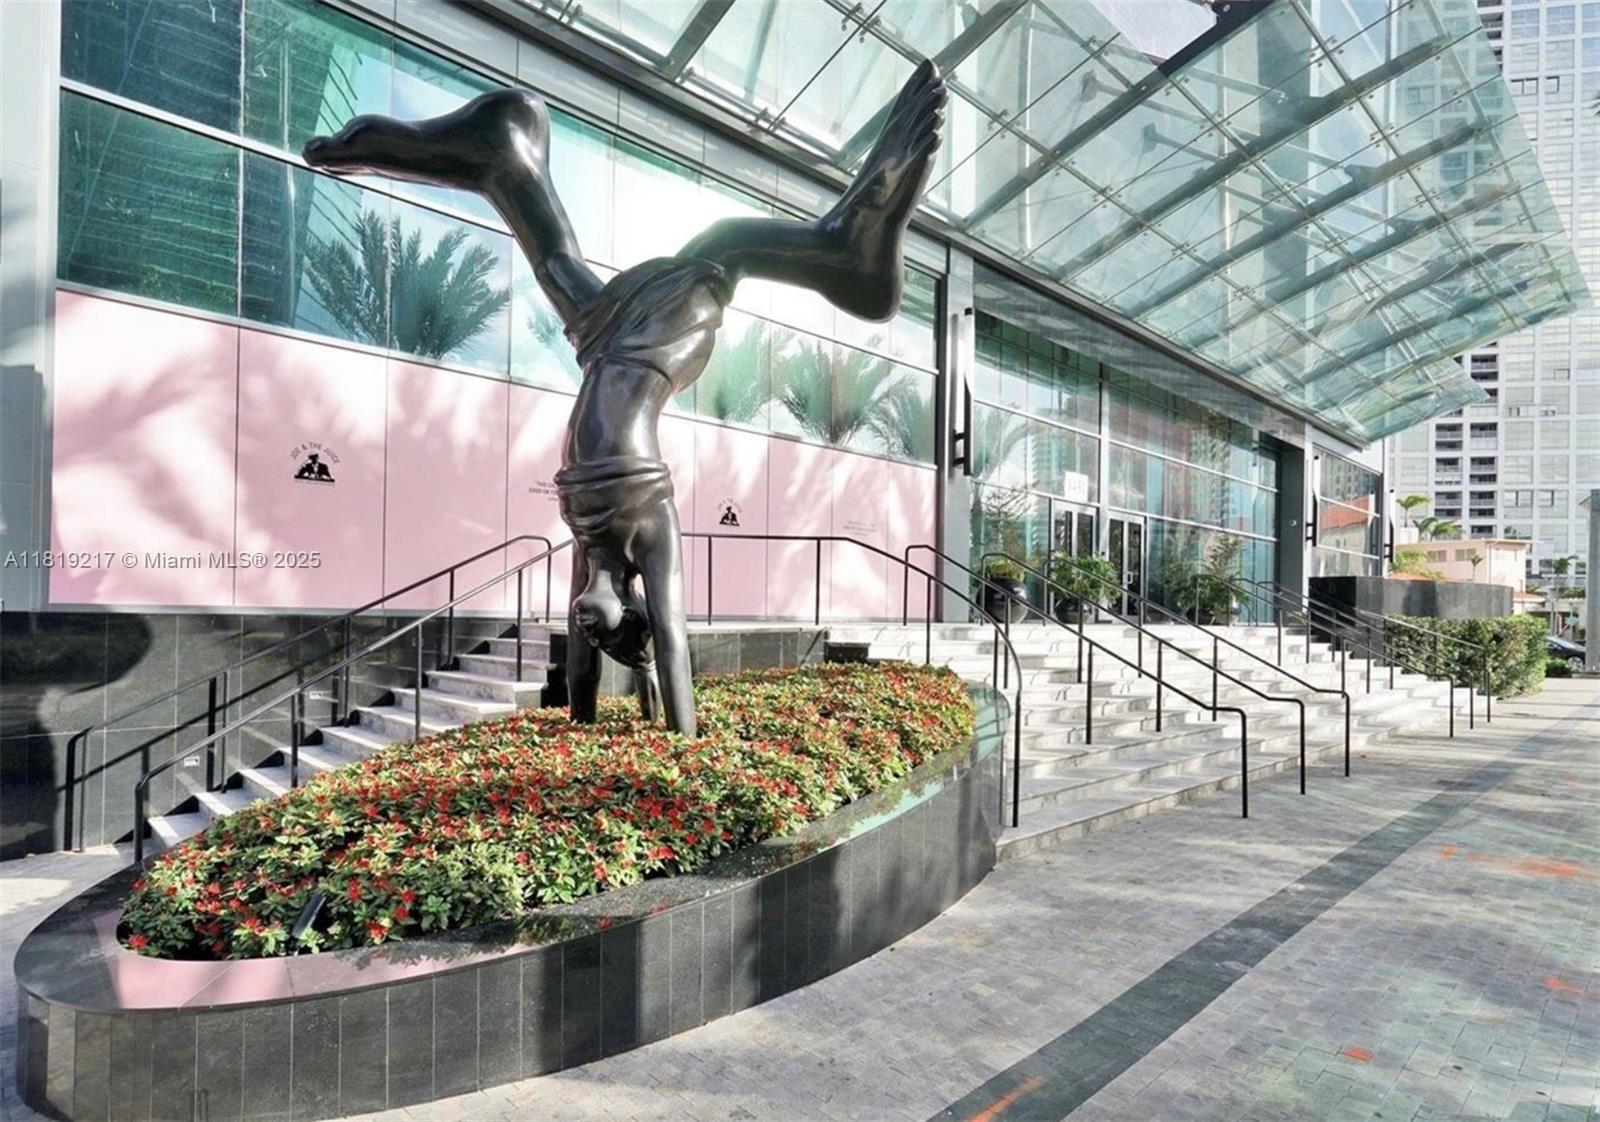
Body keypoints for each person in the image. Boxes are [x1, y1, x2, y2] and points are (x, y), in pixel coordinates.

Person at [304, 61, 946, 737]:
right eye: (605, 625)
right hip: (648, 367)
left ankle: (510, 167)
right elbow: (672, 645)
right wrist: (683, 737)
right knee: (719, 249)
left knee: (561, 272)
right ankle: (841, 240)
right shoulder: (647, 533)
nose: (585, 619)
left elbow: (580, 665)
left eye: (587, 623)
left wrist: (580, 722)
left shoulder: (589, 545)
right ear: (633, 609)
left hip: (609, 360)